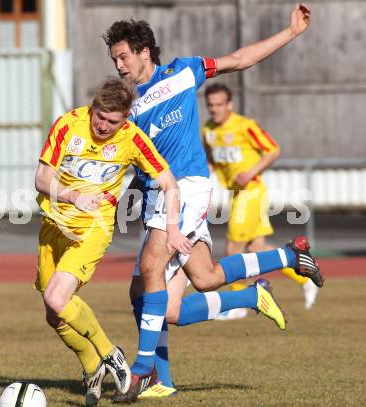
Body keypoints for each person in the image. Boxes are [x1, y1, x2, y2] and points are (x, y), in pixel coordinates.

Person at [103, 4, 324, 402]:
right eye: (114, 59)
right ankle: (280, 265)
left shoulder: (184, 71)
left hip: (188, 187)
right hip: (158, 198)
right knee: (177, 288)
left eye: (122, 56)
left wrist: (290, 33)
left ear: (143, 52)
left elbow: (239, 59)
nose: (118, 65)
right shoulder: (130, 110)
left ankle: (141, 373)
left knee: (152, 266)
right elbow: (129, 166)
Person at [34, 77, 192, 406]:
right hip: (55, 225)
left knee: (56, 296)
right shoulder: (67, 124)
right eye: (100, 117)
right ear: (93, 108)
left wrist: (173, 228)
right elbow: (41, 178)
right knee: (54, 314)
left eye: (112, 121)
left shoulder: (132, 138)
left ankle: (111, 355)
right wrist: (71, 195)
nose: (104, 126)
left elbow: (169, 181)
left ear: (125, 118)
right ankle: (92, 367)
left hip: (94, 225)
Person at [202, 82, 319, 316]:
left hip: (252, 192)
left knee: (232, 247)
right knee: (257, 247)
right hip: (235, 193)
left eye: (219, 104)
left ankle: (236, 306)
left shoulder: (246, 126)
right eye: (210, 105)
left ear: (230, 105)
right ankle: (304, 277)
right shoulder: (207, 129)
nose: (215, 109)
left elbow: (273, 150)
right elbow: (212, 158)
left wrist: (251, 171)